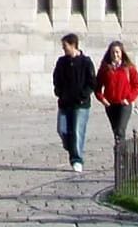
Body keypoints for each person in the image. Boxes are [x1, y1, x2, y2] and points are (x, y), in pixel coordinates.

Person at [52, 32, 95, 174]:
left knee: (77, 131)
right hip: (64, 103)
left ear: (73, 45)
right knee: (62, 130)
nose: (63, 49)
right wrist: (59, 91)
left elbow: (92, 82)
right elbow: (56, 78)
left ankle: (77, 159)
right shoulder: (61, 62)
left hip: (80, 104)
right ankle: (72, 147)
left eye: (65, 46)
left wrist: (83, 95)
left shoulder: (86, 62)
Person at [94, 40, 138, 141]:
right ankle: (120, 153)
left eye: (117, 52)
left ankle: (121, 155)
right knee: (116, 132)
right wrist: (102, 99)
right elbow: (97, 86)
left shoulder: (129, 68)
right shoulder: (105, 68)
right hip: (110, 104)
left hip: (124, 104)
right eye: (113, 52)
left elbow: (137, 85)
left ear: (121, 53)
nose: (115, 55)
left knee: (120, 130)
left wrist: (129, 99)